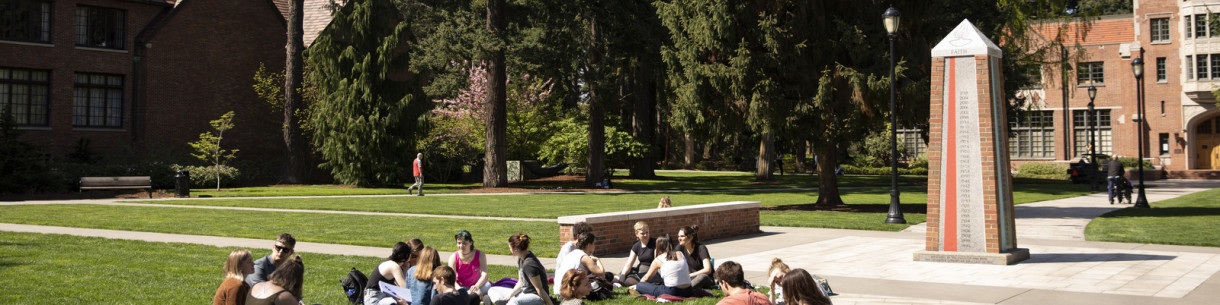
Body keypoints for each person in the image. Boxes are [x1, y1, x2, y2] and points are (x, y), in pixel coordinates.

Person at [484, 233, 555, 305]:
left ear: (515, 249)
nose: (509, 250)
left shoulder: (529, 264)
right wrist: (509, 296)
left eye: (510, 247)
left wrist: (549, 303)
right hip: (523, 292)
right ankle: (501, 301)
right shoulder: (521, 258)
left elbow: (539, 289)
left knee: (514, 301)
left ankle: (507, 302)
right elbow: (520, 282)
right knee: (492, 289)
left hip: (536, 296)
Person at [635, 234, 693, 298]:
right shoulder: (680, 253)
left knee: (640, 285)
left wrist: (641, 285)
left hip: (672, 291)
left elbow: (646, 278)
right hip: (688, 291)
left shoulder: (659, 259)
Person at [448, 230, 491, 301]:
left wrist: (476, 286)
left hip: (476, 285)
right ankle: (476, 297)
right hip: (460, 286)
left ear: (470, 242)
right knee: (450, 290)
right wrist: (459, 288)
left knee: (488, 285)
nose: (461, 246)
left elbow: (484, 274)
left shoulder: (480, 255)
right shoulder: (453, 257)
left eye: (464, 243)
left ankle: (470, 297)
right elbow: (451, 278)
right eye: (459, 243)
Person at [616, 221, 660, 286]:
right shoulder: (636, 246)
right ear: (636, 234)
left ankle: (638, 283)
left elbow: (658, 261)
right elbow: (629, 263)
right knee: (618, 277)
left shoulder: (655, 243)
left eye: (647, 232)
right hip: (639, 268)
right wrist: (623, 276)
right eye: (642, 233)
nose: (645, 235)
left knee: (628, 281)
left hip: (650, 270)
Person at [678, 225, 714, 289]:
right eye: (678, 236)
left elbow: (707, 270)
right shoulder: (680, 247)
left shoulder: (701, 248)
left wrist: (689, 275)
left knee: (702, 277)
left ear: (690, 237)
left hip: (703, 278)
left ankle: (685, 290)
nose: (679, 239)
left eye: (682, 236)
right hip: (689, 278)